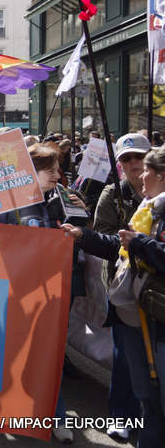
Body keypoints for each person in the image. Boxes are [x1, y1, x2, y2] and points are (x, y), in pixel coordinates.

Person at [62, 146, 165, 448]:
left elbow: (140, 247)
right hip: (132, 313)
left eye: (145, 167)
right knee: (144, 392)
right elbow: (118, 247)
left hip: (158, 320)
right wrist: (83, 236)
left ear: (160, 175)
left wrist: (143, 244)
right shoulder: (146, 208)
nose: (137, 173)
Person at [0, 143, 87, 444]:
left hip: (52, 295)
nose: (58, 174)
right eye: (51, 169)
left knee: (49, 356)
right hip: (15, 294)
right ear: (30, 172)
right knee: (13, 356)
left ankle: (55, 415)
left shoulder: (62, 199)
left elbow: (82, 235)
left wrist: (79, 219)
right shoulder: (8, 204)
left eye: (58, 168)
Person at [91, 133, 150, 442]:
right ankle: (121, 416)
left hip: (157, 287)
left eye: (138, 156)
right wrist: (129, 238)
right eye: (126, 159)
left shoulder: (160, 192)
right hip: (124, 287)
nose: (134, 163)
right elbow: (101, 239)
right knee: (125, 355)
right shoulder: (112, 195)